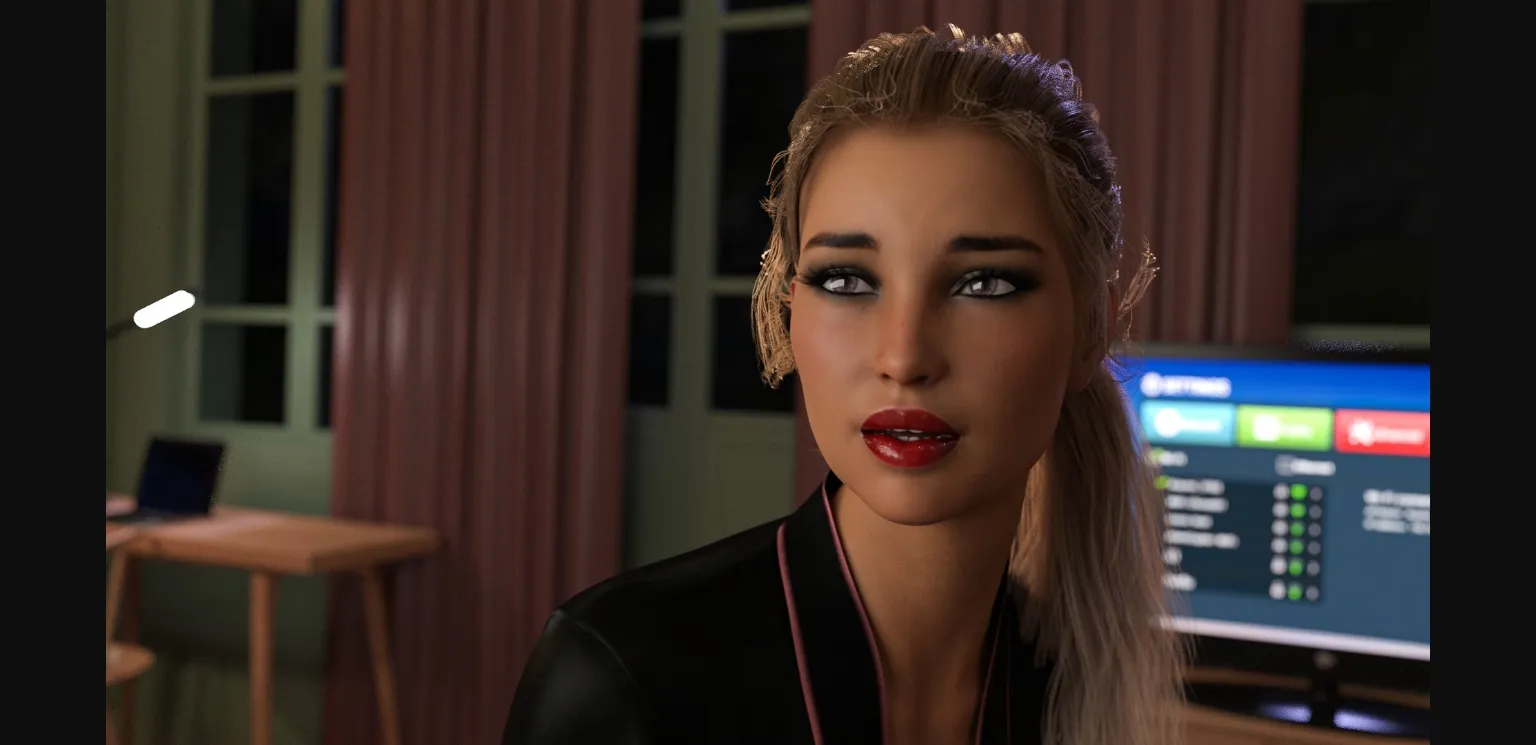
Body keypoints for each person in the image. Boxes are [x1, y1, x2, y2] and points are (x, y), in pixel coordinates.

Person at [501, 25, 1184, 745]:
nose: (904, 356)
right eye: (847, 280)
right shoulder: (620, 678)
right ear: (789, 309)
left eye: (985, 283)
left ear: (1090, 331)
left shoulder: (1062, 689)